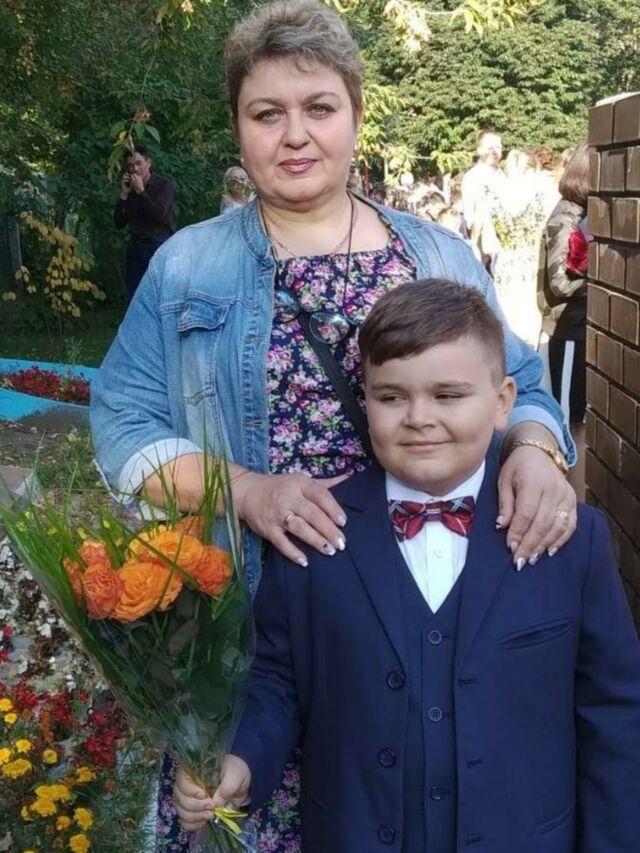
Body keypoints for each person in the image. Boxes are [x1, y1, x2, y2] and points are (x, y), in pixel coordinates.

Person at [90, 2, 576, 850]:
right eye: (266, 113)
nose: (295, 135)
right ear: (238, 126)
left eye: (319, 107)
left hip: (421, 633)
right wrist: (246, 491)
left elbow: (523, 385)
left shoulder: (436, 256)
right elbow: (123, 425)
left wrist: (534, 450)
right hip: (253, 640)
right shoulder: (188, 267)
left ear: (355, 113)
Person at [174, 280, 640, 852]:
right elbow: (277, 681)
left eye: (448, 395)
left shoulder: (570, 538)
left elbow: (614, 714)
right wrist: (241, 761)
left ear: (502, 402)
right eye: (392, 397)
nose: (419, 417)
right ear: (365, 399)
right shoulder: (313, 530)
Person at [537, 143, 590, 500]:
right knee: (570, 426)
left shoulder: (577, 213)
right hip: (567, 331)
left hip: (574, 329)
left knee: (577, 423)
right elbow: (559, 282)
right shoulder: (566, 219)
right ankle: (571, 502)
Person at [491, 149, 550, 347]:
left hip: (505, 264)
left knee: (507, 326)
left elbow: (488, 242)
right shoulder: (541, 195)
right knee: (531, 326)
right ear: (532, 169)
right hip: (531, 263)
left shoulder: (495, 196)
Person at [114, 146, 174, 301]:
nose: (135, 169)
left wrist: (141, 192)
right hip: (136, 247)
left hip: (159, 245)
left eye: (138, 163)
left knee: (160, 293)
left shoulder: (164, 185)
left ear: (148, 163)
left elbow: (158, 215)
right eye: (130, 165)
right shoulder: (130, 189)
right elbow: (119, 222)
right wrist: (124, 195)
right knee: (135, 295)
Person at [461, 130, 506, 270]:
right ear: (479, 150)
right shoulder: (472, 177)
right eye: (490, 147)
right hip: (485, 248)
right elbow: (470, 217)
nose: (495, 151)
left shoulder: (504, 176)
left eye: (498, 147)